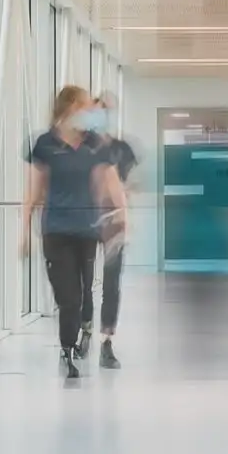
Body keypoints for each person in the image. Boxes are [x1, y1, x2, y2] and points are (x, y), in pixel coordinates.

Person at [23, 85, 127, 379]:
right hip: (56, 230)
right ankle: (67, 349)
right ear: (69, 108)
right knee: (67, 296)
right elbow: (33, 190)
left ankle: (87, 335)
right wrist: (23, 229)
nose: (91, 112)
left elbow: (110, 180)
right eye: (85, 106)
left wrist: (121, 217)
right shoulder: (45, 144)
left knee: (82, 293)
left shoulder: (95, 144)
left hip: (86, 230)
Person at [84, 93, 141, 369]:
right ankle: (84, 327)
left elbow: (134, 182)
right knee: (82, 281)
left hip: (114, 221)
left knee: (111, 282)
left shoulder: (122, 149)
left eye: (107, 109)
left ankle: (106, 340)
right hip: (82, 219)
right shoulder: (78, 148)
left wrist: (124, 196)